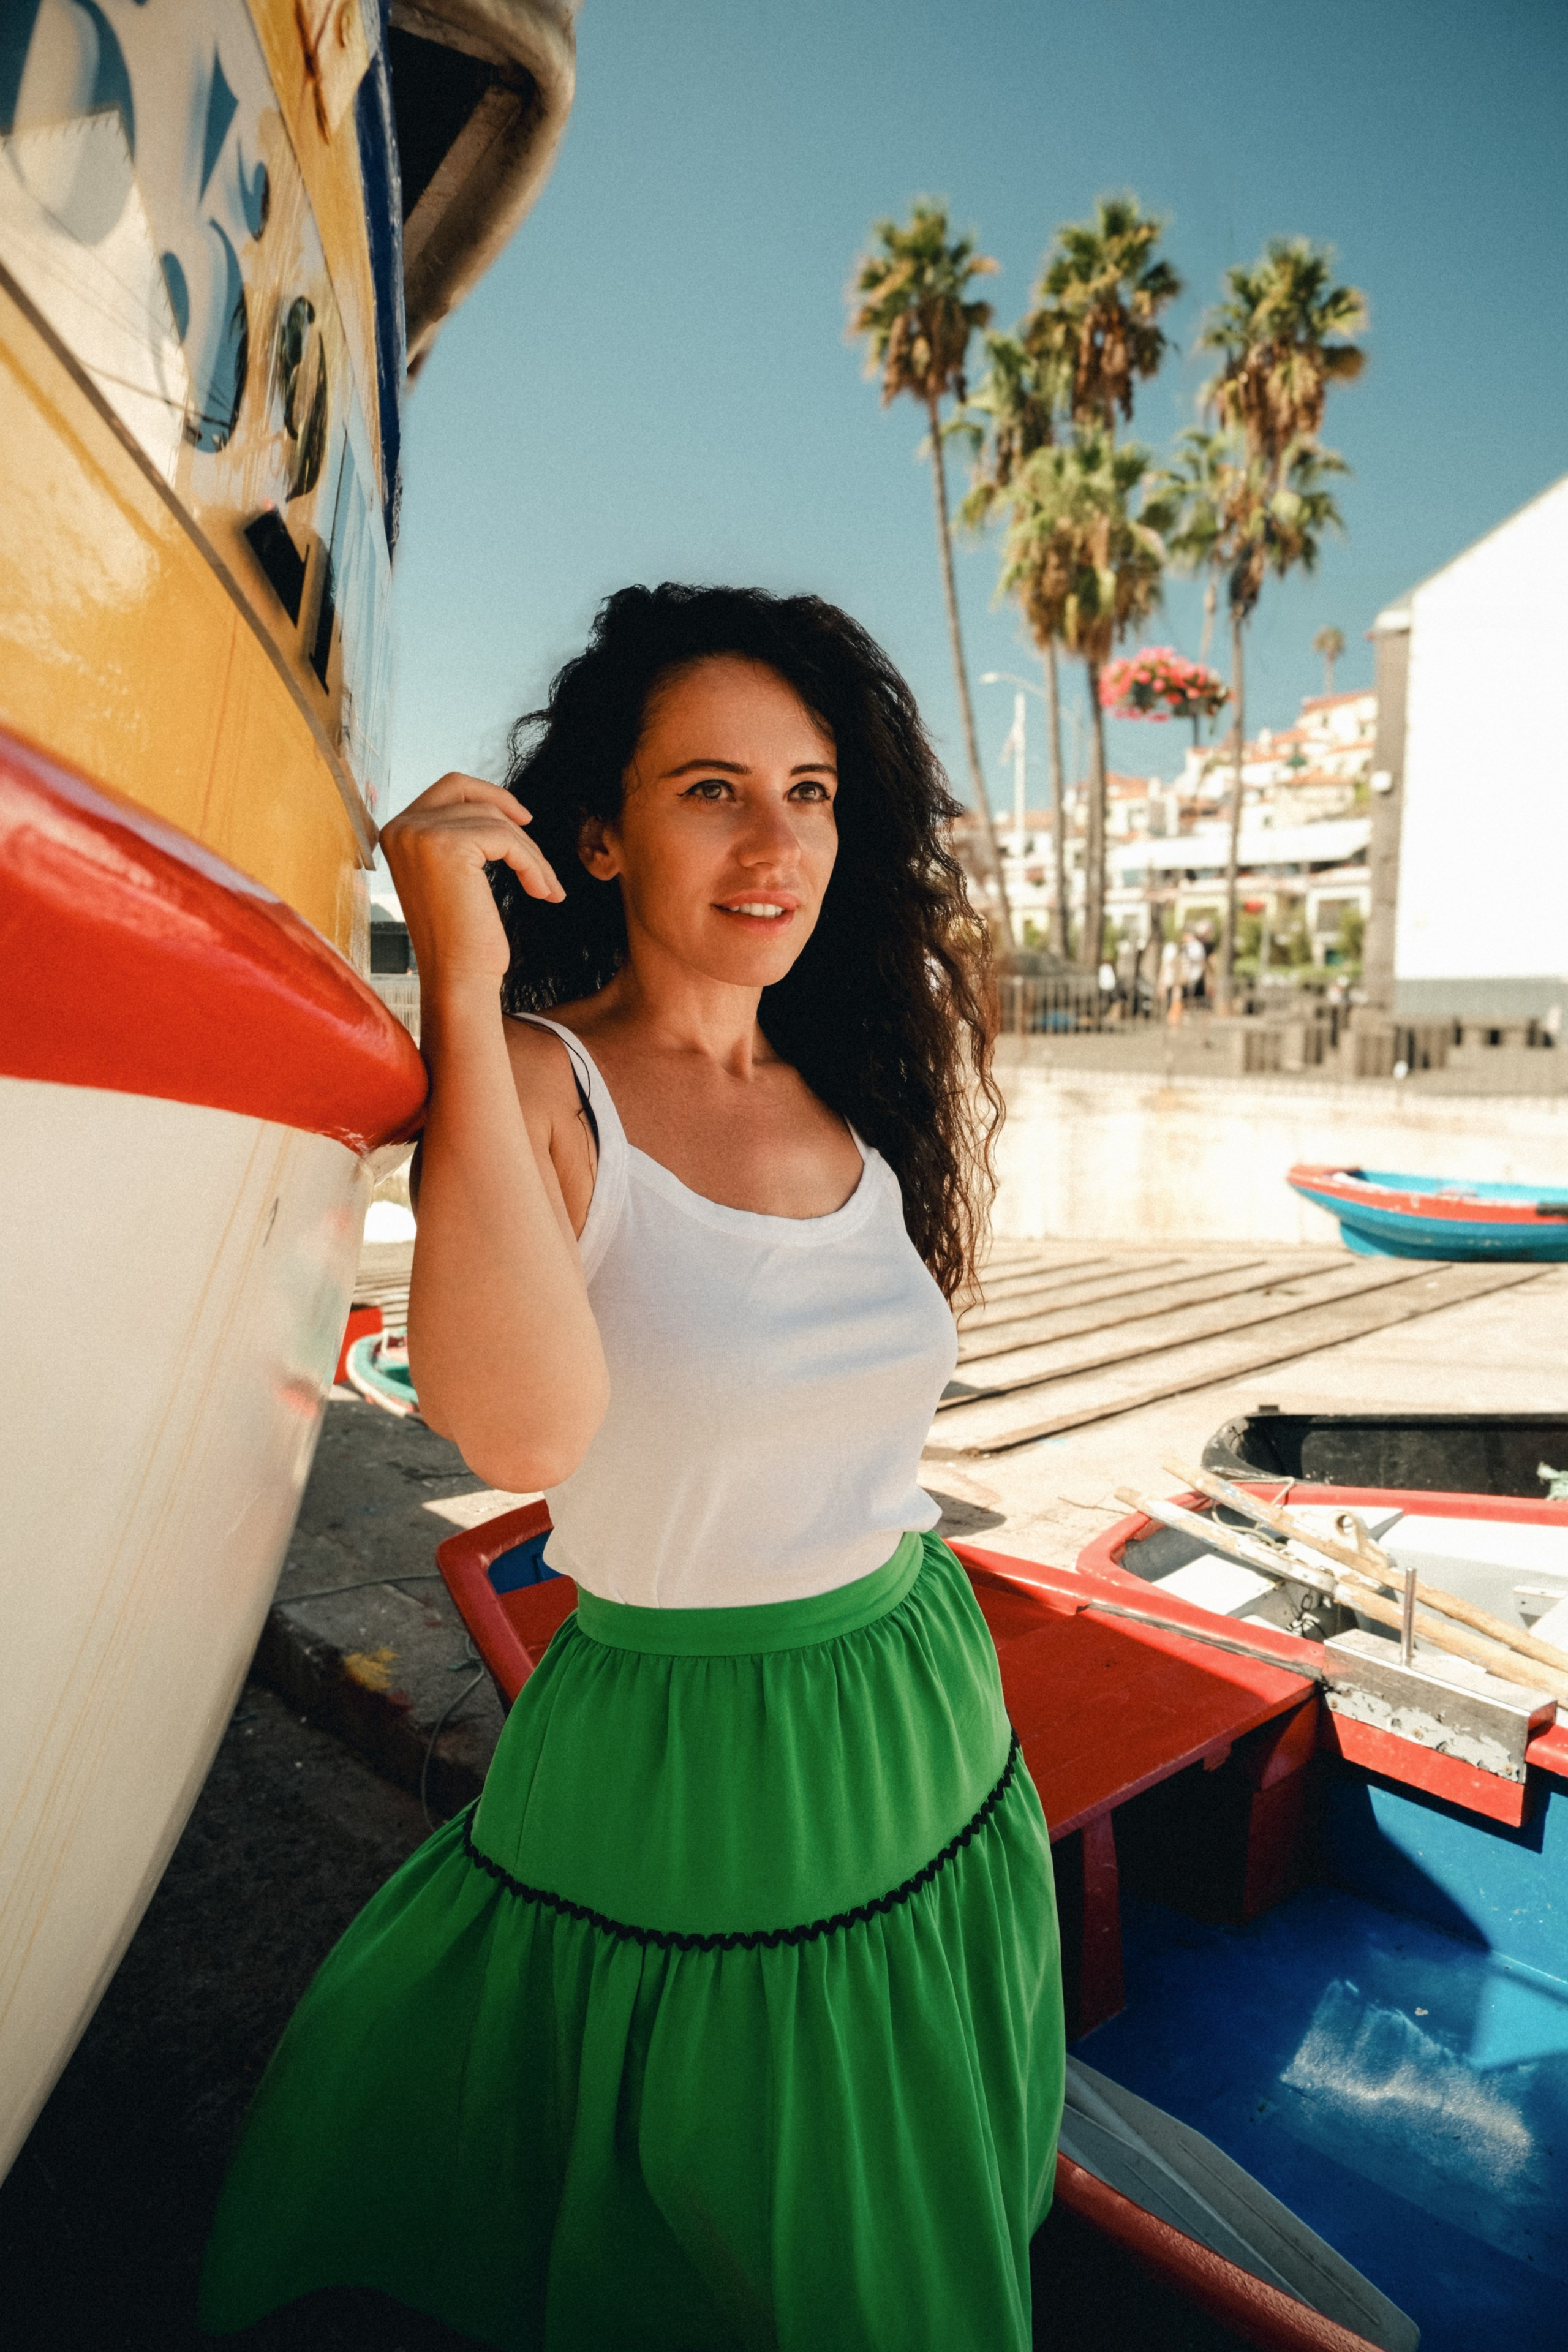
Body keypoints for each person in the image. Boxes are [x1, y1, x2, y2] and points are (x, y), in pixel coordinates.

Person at [200, 585, 1065, 2351]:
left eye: (811, 791)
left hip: (927, 1701)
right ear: (597, 827)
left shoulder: (847, 1083)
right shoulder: (537, 1080)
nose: (776, 842)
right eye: (712, 790)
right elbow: (516, 1439)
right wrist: (458, 964)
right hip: (698, 1758)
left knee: (898, 2192)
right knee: (752, 2240)